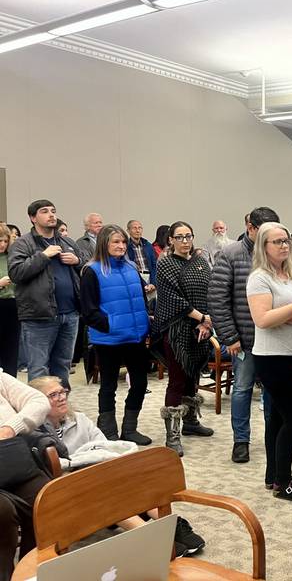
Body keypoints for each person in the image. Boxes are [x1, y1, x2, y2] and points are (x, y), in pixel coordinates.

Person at [29, 376, 206, 557]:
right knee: (105, 490)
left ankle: (172, 525)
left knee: (130, 476)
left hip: (98, 472)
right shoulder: (33, 433)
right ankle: (150, 535)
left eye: (62, 392)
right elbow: (52, 471)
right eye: (53, 395)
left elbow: (105, 447)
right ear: (37, 402)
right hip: (72, 489)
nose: (61, 397)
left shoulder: (80, 419)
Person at [247, 222, 292, 501]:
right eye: (277, 241)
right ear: (263, 247)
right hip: (271, 357)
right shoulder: (259, 278)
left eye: (286, 241)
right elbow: (263, 320)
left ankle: (274, 475)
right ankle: (282, 483)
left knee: (278, 419)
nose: (284, 245)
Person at [209, 206, 280, 464]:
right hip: (244, 339)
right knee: (241, 390)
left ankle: (273, 438)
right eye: (265, 232)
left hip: (274, 338)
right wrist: (229, 337)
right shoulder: (231, 254)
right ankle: (241, 440)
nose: (272, 238)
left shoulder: (276, 253)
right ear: (250, 228)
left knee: (273, 390)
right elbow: (217, 299)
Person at [80, 224, 152, 445]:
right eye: (116, 242)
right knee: (109, 385)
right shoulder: (91, 270)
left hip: (136, 337)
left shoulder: (131, 268)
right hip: (109, 339)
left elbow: (141, 298)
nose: (121, 246)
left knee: (139, 383)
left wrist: (145, 322)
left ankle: (130, 429)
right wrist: (112, 325)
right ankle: (108, 431)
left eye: (123, 242)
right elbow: (89, 311)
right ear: (104, 243)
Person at [8, 199, 84, 389]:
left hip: (70, 313)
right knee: (39, 369)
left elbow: (87, 266)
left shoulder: (67, 241)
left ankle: (61, 411)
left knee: (63, 365)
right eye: (44, 211)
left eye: (53, 211)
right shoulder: (22, 243)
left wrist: (77, 260)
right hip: (39, 316)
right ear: (33, 217)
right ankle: (40, 416)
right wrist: (43, 256)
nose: (51, 215)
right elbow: (16, 273)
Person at [154, 221, 214, 456]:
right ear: (170, 240)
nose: (185, 241)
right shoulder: (166, 264)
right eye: (179, 237)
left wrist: (206, 322)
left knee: (193, 377)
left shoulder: (200, 262)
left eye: (188, 236)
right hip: (177, 329)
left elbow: (210, 291)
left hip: (201, 329)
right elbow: (172, 299)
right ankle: (173, 435)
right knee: (177, 381)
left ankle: (190, 422)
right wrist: (202, 317)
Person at [0, 371, 51, 581]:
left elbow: (39, 400)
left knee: (50, 500)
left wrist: (10, 427)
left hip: (9, 458)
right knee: (2, 512)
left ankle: (31, 573)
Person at [0, 225, 19, 375]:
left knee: (11, 348)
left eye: (5, 241)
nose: (2, 245)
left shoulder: (11, 257)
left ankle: (11, 382)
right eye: (0, 241)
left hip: (13, 305)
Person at [125, 220, 158, 290]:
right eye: (134, 228)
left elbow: (154, 265)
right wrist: (144, 284)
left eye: (140, 228)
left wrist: (153, 283)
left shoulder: (148, 245)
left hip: (150, 277)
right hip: (136, 278)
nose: (137, 230)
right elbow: (129, 267)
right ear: (128, 230)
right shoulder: (126, 247)